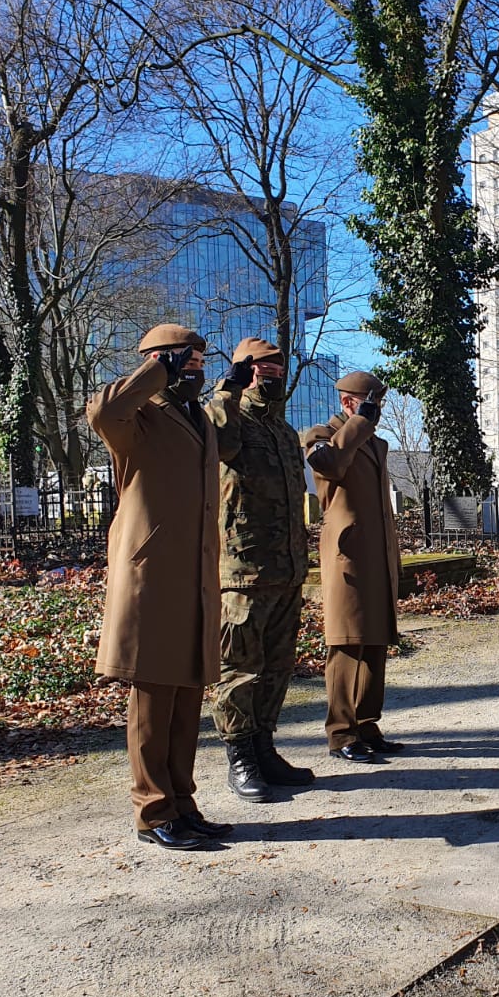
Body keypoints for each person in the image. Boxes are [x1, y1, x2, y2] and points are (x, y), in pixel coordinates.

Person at [87, 323, 226, 850]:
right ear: (158, 362)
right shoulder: (137, 417)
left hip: (193, 572)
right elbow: (102, 411)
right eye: (185, 359)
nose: (196, 366)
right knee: (153, 699)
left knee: (188, 693)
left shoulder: (199, 417)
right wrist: (155, 372)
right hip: (150, 575)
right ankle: (151, 811)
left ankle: (183, 804)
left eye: (199, 359)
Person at [204, 337, 314, 800]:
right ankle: (240, 757)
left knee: (277, 667)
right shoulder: (228, 420)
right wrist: (226, 390)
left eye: (278, 369)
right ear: (244, 369)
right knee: (239, 670)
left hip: (286, 570)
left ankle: (264, 747)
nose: (272, 375)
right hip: (242, 572)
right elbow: (218, 446)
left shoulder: (285, 432)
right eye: (262, 368)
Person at [301, 371, 403, 763]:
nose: (378, 410)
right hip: (346, 555)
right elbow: (328, 466)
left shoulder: (376, 444)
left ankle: (367, 724)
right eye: (372, 402)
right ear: (350, 402)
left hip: (376, 553)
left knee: (375, 640)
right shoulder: (320, 435)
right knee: (346, 643)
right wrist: (358, 422)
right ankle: (341, 733)